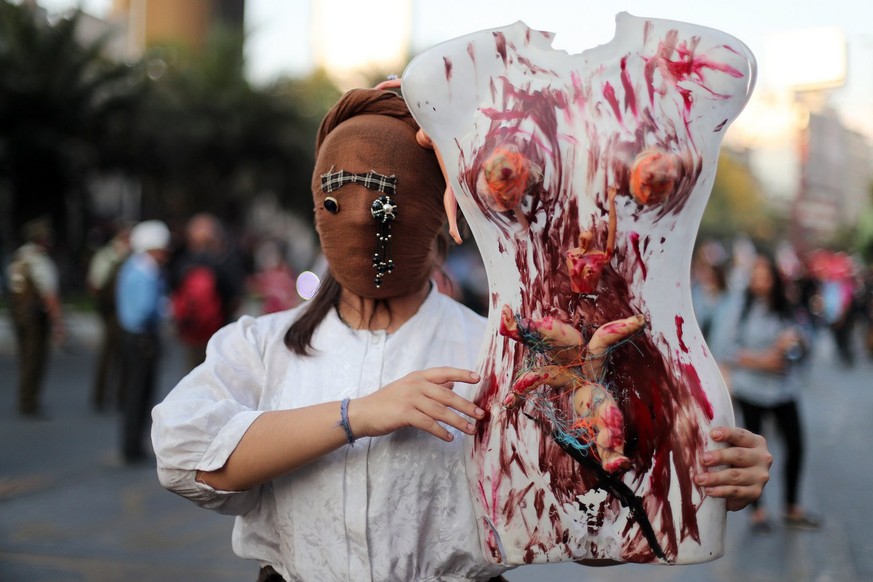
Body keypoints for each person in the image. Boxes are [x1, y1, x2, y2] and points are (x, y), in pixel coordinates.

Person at [152, 89, 772, 581]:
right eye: (338, 202)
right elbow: (184, 454)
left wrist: (704, 481)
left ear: (445, 217)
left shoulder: (498, 353)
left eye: (390, 204)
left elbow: (585, 523)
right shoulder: (261, 347)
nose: (366, 223)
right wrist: (359, 415)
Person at [720, 251, 820, 534]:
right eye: (756, 276)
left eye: (765, 276)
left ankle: (792, 506)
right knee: (750, 450)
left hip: (783, 389)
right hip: (751, 389)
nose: (760, 282)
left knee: (796, 445)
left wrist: (794, 345)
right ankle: (757, 511)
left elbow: (803, 345)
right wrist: (762, 360)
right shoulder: (739, 307)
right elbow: (725, 348)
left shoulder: (786, 307)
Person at [117, 220, 171, 464]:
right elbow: (144, 310)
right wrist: (165, 310)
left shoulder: (131, 267)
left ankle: (132, 444)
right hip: (143, 338)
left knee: (134, 392)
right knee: (140, 392)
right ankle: (133, 448)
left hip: (131, 338)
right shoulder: (146, 272)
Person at [5, 216, 65, 418]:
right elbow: (49, 294)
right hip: (34, 318)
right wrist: (58, 323)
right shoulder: (39, 260)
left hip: (18, 314)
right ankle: (29, 402)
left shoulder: (19, 256)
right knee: (35, 360)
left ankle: (25, 398)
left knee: (25, 358)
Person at [170, 213, 245, 371]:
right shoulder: (225, 261)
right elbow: (235, 296)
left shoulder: (182, 261)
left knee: (191, 375)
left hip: (190, 331)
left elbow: (173, 291)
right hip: (219, 330)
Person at [86, 223, 132, 411]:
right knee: (109, 355)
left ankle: (121, 395)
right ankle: (101, 396)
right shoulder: (107, 257)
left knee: (123, 356)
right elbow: (95, 286)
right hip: (112, 313)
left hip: (123, 312)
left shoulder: (128, 257)